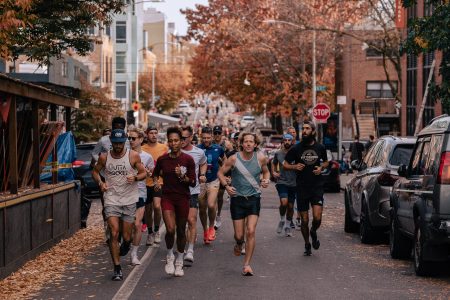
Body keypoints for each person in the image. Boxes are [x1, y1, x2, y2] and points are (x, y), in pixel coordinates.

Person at [92, 129, 146, 281]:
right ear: (111, 142)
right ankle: (117, 268)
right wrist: (101, 183)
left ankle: (127, 243)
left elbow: (143, 173)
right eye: (115, 143)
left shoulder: (133, 156)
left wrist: (135, 177)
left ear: (125, 142)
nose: (117, 146)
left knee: (127, 235)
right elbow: (95, 172)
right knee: (114, 232)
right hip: (112, 198)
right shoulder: (104, 157)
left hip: (129, 199)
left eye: (120, 143)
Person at [218, 133, 270, 276]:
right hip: (237, 199)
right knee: (239, 236)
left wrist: (266, 180)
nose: (248, 144)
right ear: (241, 143)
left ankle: (247, 265)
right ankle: (239, 244)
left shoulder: (260, 158)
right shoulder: (234, 158)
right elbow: (221, 173)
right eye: (245, 141)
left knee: (251, 231)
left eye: (251, 142)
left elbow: (266, 172)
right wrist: (226, 187)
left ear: (255, 144)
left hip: (254, 198)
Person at [152, 127, 196, 277]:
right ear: (168, 142)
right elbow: (155, 174)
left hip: (183, 198)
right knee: (170, 229)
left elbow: (192, 182)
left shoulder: (188, 160)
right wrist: (157, 182)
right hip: (168, 197)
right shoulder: (162, 159)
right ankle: (170, 256)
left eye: (176, 140)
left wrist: (182, 176)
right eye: (170, 141)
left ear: (181, 142)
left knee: (181, 230)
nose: (173, 143)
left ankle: (179, 260)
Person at [283, 121, 328, 256]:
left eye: (307, 129)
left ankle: (313, 231)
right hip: (302, 187)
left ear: (313, 131)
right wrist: (294, 167)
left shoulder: (320, 147)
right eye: (303, 129)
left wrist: (321, 168)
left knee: (317, 218)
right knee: (304, 220)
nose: (304, 131)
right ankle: (307, 244)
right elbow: (285, 164)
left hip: (317, 186)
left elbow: (326, 161)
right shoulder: (296, 149)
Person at [180, 126, 207, 263]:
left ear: (191, 138)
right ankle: (182, 245)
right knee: (181, 222)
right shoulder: (173, 151)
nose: (181, 141)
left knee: (191, 220)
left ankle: (190, 250)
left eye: (184, 138)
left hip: (192, 190)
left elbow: (203, 163)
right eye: (180, 138)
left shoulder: (199, 152)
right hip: (177, 192)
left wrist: (202, 174)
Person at [128, 128, 154, 265]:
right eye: (129, 138)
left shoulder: (147, 157)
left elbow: (151, 172)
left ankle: (134, 254)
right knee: (127, 225)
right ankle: (127, 243)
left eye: (133, 138)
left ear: (140, 140)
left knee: (137, 224)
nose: (130, 141)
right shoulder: (123, 155)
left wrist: (148, 173)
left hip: (140, 193)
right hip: (124, 194)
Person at [198, 126, 225, 244]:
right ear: (201, 137)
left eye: (208, 137)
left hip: (214, 180)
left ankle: (212, 227)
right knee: (202, 208)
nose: (206, 140)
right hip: (200, 183)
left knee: (211, 204)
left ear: (212, 137)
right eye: (204, 138)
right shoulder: (197, 149)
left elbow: (225, 160)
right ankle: (205, 230)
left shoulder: (218, 148)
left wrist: (222, 172)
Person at [142, 125, 168, 246]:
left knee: (157, 207)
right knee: (148, 209)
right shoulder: (142, 149)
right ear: (147, 134)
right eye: (151, 133)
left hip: (160, 182)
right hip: (145, 183)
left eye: (155, 133)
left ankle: (157, 231)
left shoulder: (163, 147)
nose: (153, 135)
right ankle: (150, 232)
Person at [271, 134, 297, 237]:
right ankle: (282, 219)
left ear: (292, 142)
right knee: (284, 202)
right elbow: (273, 163)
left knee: (290, 206)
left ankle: (287, 226)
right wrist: (274, 172)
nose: (287, 142)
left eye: (289, 140)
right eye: (285, 140)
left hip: (293, 182)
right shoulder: (278, 153)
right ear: (283, 141)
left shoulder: (296, 154)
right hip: (282, 181)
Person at [212, 125, 226, 230]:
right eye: (215, 133)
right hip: (212, 174)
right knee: (213, 197)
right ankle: (212, 218)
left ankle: (218, 215)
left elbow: (228, 161)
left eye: (218, 133)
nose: (217, 135)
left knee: (220, 196)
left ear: (221, 134)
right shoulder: (210, 144)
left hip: (222, 174)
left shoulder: (226, 146)